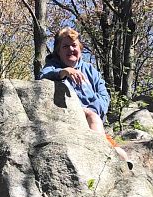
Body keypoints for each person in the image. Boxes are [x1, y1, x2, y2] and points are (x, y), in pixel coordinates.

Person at [38, 27, 133, 169]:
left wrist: (91, 110)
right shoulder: (53, 66)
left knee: (122, 155)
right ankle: (100, 153)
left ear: (80, 49)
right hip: (71, 117)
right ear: (58, 51)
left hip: (94, 123)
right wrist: (63, 72)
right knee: (96, 125)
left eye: (74, 45)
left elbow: (104, 97)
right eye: (65, 46)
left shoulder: (90, 70)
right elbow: (43, 76)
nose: (71, 49)